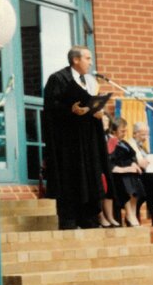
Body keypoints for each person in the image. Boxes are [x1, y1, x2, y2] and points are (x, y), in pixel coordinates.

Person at [42, 45, 112, 229]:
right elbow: (50, 108)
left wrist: (97, 113)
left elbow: (90, 105)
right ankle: (69, 219)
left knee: (90, 175)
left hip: (88, 139)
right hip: (68, 142)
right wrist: (69, 110)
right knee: (71, 177)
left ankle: (88, 218)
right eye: (87, 58)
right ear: (76, 60)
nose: (90, 62)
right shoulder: (58, 78)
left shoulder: (90, 81)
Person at [108, 117, 145, 227]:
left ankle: (132, 214)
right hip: (118, 174)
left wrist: (133, 163)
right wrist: (125, 169)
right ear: (114, 131)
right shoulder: (111, 142)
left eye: (125, 130)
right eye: (122, 131)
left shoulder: (123, 142)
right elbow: (110, 162)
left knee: (136, 179)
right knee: (127, 180)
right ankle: (129, 214)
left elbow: (132, 155)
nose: (124, 133)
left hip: (129, 171)